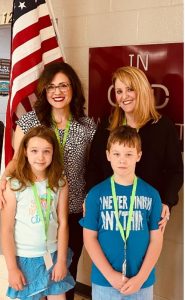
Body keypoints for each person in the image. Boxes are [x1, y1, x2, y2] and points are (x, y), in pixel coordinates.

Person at [0, 62, 96, 300]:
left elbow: (93, 168)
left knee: (63, 275)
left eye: (63, 85)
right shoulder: (29, 122)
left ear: (73, 88)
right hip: (35, 208)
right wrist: (3, 180)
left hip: (72, 211)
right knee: (33, 281)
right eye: (51, 86)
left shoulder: (87, 126)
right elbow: (16, 160)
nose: (57, 91)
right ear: (44, 91)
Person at [86, 66, 183, 231]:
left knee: (143, 256)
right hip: (110, 210)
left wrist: (167, 201)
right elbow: (93, 166)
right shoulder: (107, 126)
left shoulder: (163, 126)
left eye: (130, 89)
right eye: (119, 91)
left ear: (142, 90)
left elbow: (175, 171)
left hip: (146, 212)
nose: (124, 96)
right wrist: (91, 197)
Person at [80, 125, 163, 300]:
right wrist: (110, 275)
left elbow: (156, 240)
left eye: (129, 154)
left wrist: (141, 278)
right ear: (108, 155)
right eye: (116, 154)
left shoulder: (152, 195)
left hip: (141, 283)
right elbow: (89, 238)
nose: (122, 160)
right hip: (105, 281)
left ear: (138, 156)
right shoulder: (96, 195)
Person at [1, 126, 75, 300]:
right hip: (26, 259)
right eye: (34, 150)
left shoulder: (60, 182)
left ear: (53, 153)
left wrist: (62, 260)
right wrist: (12, 269)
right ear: (25, 152)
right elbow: (6, 230)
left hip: (53, 255)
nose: (40, 157)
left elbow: (63, 223)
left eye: (46, 151)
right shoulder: (14, 185)